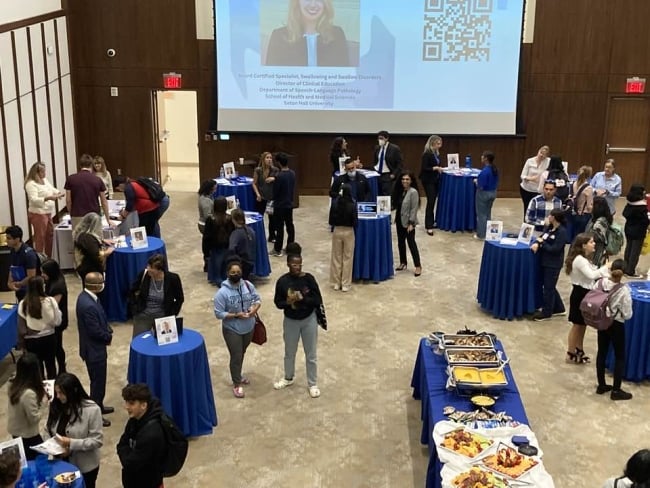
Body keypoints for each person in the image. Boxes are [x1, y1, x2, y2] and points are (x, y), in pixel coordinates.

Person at [273, 242, 323, 398]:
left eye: (299, 264)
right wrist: (287, 302)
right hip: (291, 321)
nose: (297, 267)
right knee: (289, 352)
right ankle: (288, 377)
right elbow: (277, 302)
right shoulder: (282, 282)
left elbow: (317, 299)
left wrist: (303, 299)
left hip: (308, 319)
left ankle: (312, 383)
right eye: (294, 264)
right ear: (288, 264)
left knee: (311, 353)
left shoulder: (309, 279)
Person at [214, 259, 262, 398]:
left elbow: (257, 299)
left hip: (249, 326)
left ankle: (238, 375)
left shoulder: (247, 285)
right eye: (233, 272)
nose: (236, 274)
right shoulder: (222, 293)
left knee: (242, 352)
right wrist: (236, 315)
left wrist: (254, 309)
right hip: (232, 329)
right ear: (227, 273)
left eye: (238, 272)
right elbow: (218, 313)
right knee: (236, 356)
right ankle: (236, 384)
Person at [45, 373, 103, 488]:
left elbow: (97, 441)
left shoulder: (92, 410)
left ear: (73, 391)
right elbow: (48, 429)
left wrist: (71, 444)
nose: (57, 396)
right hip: (60, 464)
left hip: (84, 467)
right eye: (56, 392)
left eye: (61, 393)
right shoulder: (56, 405)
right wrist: (50, 446)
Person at [564, 233, 609, 364]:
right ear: (583, 245)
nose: (594, 244)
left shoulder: (584, 258)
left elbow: (594, 271)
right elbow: (591, 275)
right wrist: (605, 268)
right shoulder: (580, 260)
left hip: (585, 293)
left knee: (583, 324)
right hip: (580, 294)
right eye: (591, 242)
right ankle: (570, 352)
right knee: (577, 325)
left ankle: (579, 349)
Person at [76, 272, 114, 427]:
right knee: (97, 383)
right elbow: (94, 331)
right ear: (96, 285)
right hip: (94, 351)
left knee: (100, 382)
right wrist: (108, 337)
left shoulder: (87, 297)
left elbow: (101, 319)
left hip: (94, 348)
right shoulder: (88, 305)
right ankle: (96, 414)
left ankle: (100, 405)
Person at [265, 0, 352, 67]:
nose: (313, 4)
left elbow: (345, 80)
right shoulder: (278, 37)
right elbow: (270, 80)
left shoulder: (337, 34)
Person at [594, 259, 634, 400]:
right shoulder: (623, 290)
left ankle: (601, 385)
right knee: (620, 356)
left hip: (601, 321)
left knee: (602, 352)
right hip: (616, 324)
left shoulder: (600, 283)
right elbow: (628, 314)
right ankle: (616, 390)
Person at [117, 384, 167, 487]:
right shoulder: (134, 419)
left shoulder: (151, 434)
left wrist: (125, 454)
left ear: (143, 405)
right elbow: (121, 444)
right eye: (126, 402)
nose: (126, 407)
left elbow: (130, 463)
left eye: (131, 403)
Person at [129, 254, 184, 337]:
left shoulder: (173, 279)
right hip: (143, 315)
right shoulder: (144, 274)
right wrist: (135, 308)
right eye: (148, 266)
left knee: (163, 344)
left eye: (151, 267)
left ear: (160, 270)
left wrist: (172, 314)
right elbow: (132, 291)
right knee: (139, 342)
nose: (148, 269)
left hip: (163, 317)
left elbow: (180, 298)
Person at [17, 276, 61, 379]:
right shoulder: (51, 301)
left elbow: (21, 329)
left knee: (37, 369)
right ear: (42, 287)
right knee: (51, 366)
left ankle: (40, 390)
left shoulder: (23, 304)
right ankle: (52, 390)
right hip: (49, 338)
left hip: (31, 341)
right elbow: (57, 321)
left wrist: (21, 344)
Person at [530, 209, 570, 321]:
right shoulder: (550, 228)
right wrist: (538, 242)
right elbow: (542, 237)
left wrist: (543, 244)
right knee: (549, 286)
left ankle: (547, 312)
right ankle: (559, 308)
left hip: (553, 264)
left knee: (548, 288)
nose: (549, 217)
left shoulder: (562, 232)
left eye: (551, 215)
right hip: (545, 261)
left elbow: (555, 249)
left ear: (555, 218)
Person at [6, 352, 47, 460]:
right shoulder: (28, 394)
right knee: (40, 460)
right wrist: (44, 404)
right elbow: (34, 419)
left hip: (16, 431)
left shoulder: (12, 384)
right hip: (28, 435)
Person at [24, 161, 64, 257]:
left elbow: (51, 189)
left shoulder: (44, 180)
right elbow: (33, 200)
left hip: (47, 212)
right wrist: (48, 198)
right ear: (36, 173)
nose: (45, 174)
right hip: (38, 213)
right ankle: (40, 259)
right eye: (42, 172)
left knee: (50, 235)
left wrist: (58, 193)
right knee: (40, 237)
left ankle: (49, 258)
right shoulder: (31, 184)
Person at [64, 153, 110, 229]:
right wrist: (108, 219)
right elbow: (104, 201)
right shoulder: (97, 180)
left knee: (78, 238)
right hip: (94, 215)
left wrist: (71, 214)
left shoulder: (70, 179)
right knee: (94, 238)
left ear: (80, 165)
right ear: (91, 165)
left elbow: (68, 200)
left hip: (77, 214)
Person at [72, 212, 115, 287]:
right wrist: (107, 252)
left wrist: (102, 240)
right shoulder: (87, 238)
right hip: (89, 268)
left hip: (84, 265)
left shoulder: (82, 233)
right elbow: (96, 254)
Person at [392, 171, 421, 277]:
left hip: (409, 222)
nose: (405, 181)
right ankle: (403, 262)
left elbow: (414, 209)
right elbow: (397, 206)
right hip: (399, 220)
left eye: (407, 179)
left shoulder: (413, 192)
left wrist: (411, 223)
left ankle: (418, 266)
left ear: (411, 181)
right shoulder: (400, 191)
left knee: (411, 243)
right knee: (400, 242)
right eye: (403, 179)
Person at [42, 259, 69, 374]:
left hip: (58, 320)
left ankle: (62, 368)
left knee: (57, 346)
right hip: (53, 318)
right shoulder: (51, 281)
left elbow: (52, 305)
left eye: (44, 273)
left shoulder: (58, 286)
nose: (42, 275)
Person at [329, 183, 357, 292]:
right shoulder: (352, 204)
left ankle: (336, 283)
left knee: (336, 257)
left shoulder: (335, 203)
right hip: (349, 231)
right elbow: (355, 221)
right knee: (348, 258)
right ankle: (345, 284)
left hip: (337, 230)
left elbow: (330, 221)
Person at [204, 197, 234, 285]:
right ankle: (223, 277)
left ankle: (216, 278)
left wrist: (205, 251)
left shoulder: (210, 219)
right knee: (224, 263)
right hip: (226, 246)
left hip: (214, 247)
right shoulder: (229, 218)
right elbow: (232, 233)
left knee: (216, 263)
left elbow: (206, 237)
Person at [6, 225, 40, 301]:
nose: (6, 241)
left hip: (31, 291)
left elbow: (31, 276)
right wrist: (10, 282)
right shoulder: (13, 251)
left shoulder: (29, 254)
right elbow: (12, 268)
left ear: (17, 239)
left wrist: (19, 284)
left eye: (9, 238)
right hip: (20, 288)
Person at [622, 184, 649, 277]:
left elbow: (624, 213)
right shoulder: (641, 206)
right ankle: (630, 271)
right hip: (638, 231)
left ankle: (625, 267)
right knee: (635, 251)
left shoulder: (629, 203)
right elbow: (645, 220)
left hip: (628, 229)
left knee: (628, 248)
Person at [272, 152, 296, 257]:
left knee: (279, 227)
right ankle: (290, 247)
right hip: (289, 204)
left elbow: (275, 192)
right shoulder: (292, 173)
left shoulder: (279, 176)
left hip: (279, 205)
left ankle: (277, 249)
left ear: (278, 163)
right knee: (290, 225)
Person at [419, 135, 444, 235]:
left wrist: (439, 169)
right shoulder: (427, 154)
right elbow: (425, 168)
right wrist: (436, 168)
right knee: (431, 201)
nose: (440, 145)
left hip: (435, 179)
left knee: (433, 201)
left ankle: (432, 222)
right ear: (432, 143)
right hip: (428, 180)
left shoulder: (436, 153)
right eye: (438, 143)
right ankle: (428, 225)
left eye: (440, 144)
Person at [252, 151, 278, 243]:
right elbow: (254, 183)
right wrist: (257, 194)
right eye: (267, 158)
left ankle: (272, 236)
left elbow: (279, 179)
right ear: (263, 159)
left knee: (272, 219)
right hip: (261, 197)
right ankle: (258, 235)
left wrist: (274, 178)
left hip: (271, 198)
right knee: (259, 217)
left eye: (271, 158)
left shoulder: (275, 170)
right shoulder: (258, 170)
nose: (269, 160)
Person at [474, 150, 499, 240]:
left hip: (484, 194)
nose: (481, 157)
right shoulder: (495, 169)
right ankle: (488, 233)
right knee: (488, 213)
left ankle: (481, 235)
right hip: (493, 193)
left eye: (482, 156)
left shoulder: (485, 171)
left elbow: (481, 186)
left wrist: (476, 181)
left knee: (481, 215)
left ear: (485, 159)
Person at [519, 145, 550, 217]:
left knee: (537, 208)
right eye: (541, 153)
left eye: (544, 155)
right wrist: (531, 179)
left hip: (538, 190)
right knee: (527, 208)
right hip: (526, 189)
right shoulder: (530, 161)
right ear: (538, 151)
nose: (541, 155)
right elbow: (522, 175)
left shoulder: (548, 162)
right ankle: (526, 225)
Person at [229, 208, 257, 280]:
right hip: (251, 262)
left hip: (241, 263)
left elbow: (231, 248)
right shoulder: (251, 230)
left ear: (234, 220)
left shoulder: (236, 234)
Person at [374, 130, 403, 197]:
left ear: (386, 138)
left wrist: (394, 174)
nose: (379, 140)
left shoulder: (394, 148)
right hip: (377, 174)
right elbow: (375, 161)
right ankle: (379, 207)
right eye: (378, 138)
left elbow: (400, 163)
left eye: (381, 138)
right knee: (378, 193)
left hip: (387, 175)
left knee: (386, 194)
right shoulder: (377, 148)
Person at [586, 196, 614, 266]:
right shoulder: (597, 219)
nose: (590, 206)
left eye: (592, 204)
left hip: (596, 253)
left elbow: (594, 237)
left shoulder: (599, 223)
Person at [570, 165, 594, 239]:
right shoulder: (588, 188)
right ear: (589, 175)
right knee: (581, 237)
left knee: (574, 236)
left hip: (574, 213)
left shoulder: (574, 184)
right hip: (584, 215)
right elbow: (589, 206)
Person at [197, 179, 216, 271]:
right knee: (208, 245)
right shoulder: (206, 201)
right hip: (205, 225)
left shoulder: (204, 196)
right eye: (214, 189)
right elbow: (208, 216)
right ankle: (208, 265)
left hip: (204, 224)